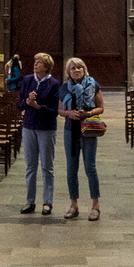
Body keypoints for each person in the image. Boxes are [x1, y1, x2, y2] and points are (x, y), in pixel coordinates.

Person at [59, 56, 104, 221]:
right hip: (70, 130)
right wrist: (69, 113)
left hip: (89, 130)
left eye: (79, 67)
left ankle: (95, 206)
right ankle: (73, 205)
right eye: (73, 68)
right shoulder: (64, 88)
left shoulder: (94, 85)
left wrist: (88, 113)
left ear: (84, 69)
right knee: (71, 169)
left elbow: (101, 108)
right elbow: (60, 110)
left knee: (90, 167)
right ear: (68, 72)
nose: (76, 70)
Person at [17, 52, 59, 215]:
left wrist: (38, 107)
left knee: (47, 166)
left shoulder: (54, 84)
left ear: (47, 66)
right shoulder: (27, 80)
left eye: (39, 62)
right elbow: (19, 104)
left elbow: (55, 110)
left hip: (46, 128)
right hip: (29, 126)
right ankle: (30, 201)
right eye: (35, 62)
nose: (35, 64)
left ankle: (47, 202)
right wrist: (27, 102)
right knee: (30, 166)